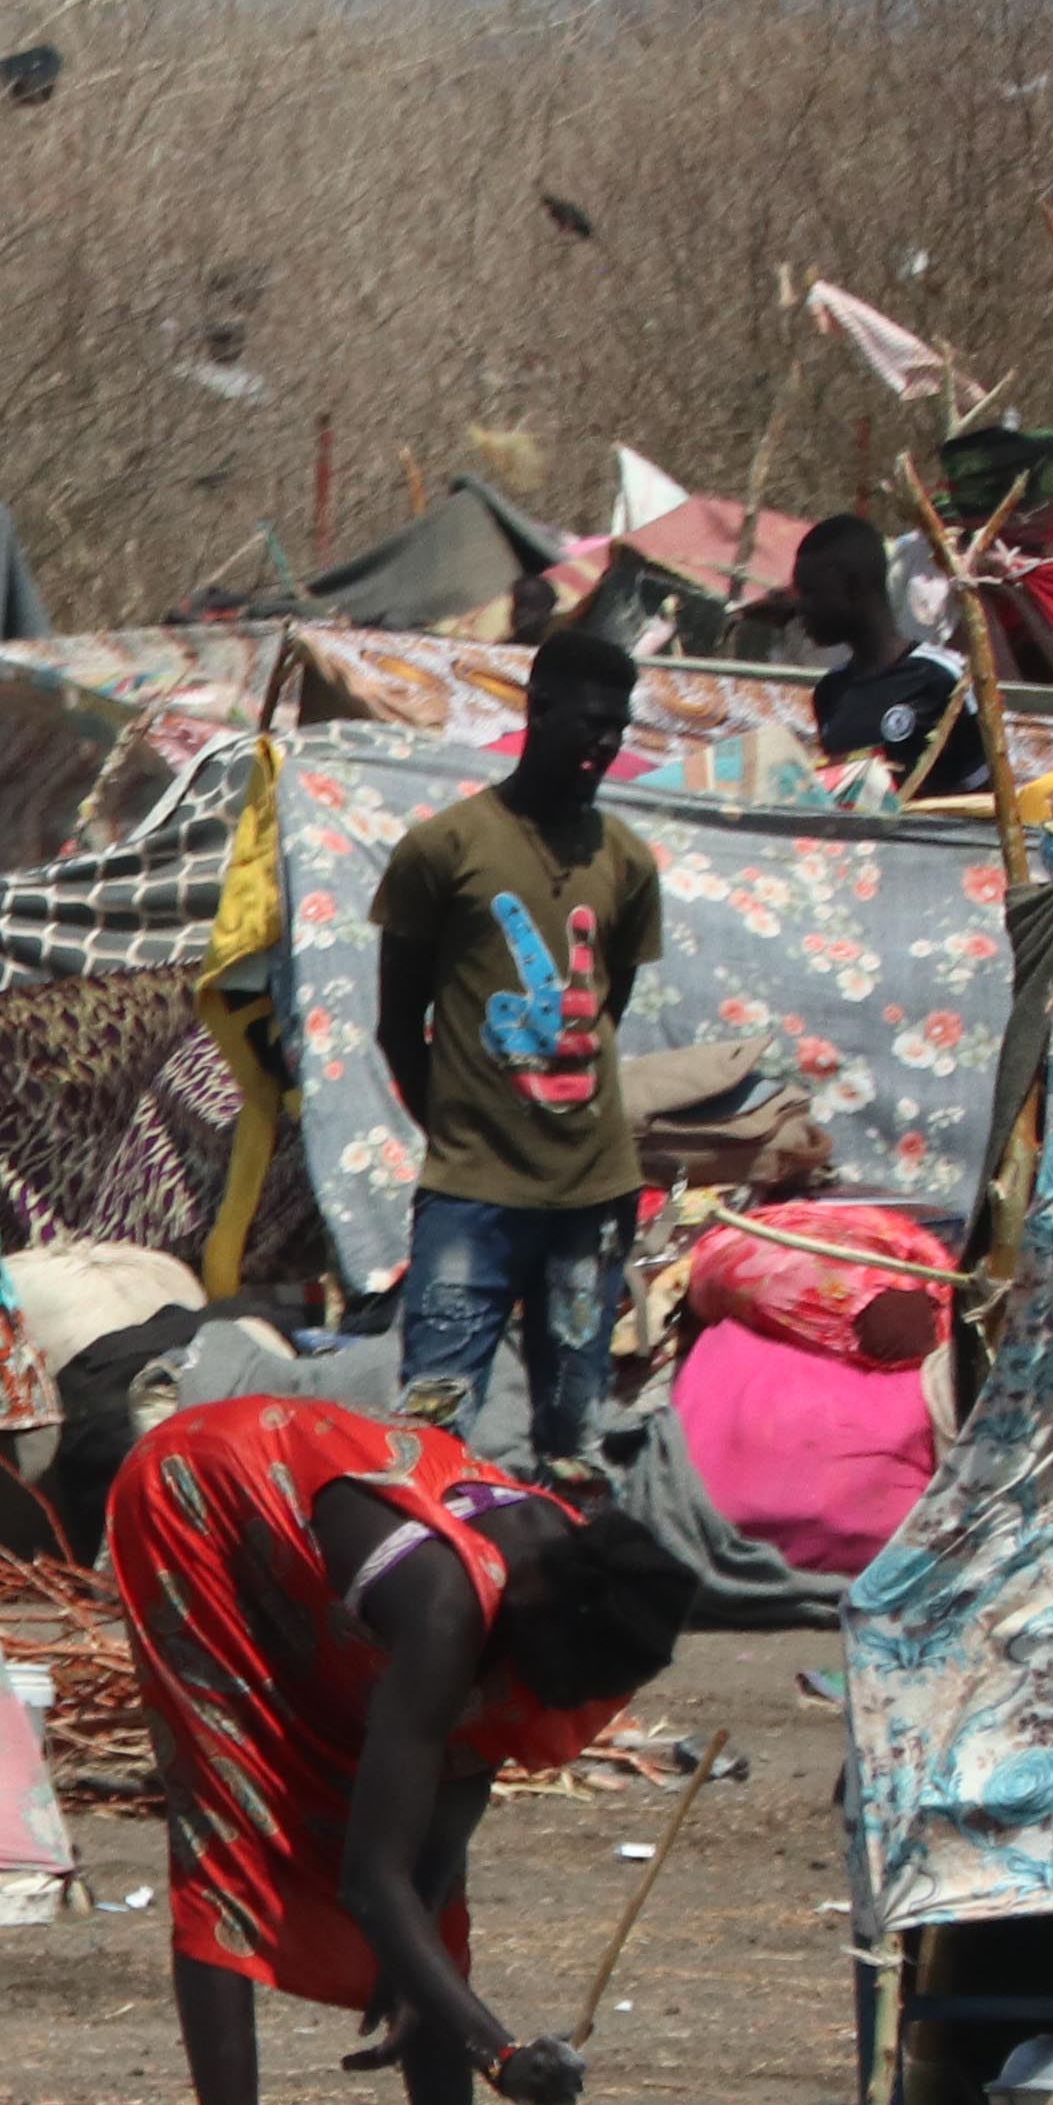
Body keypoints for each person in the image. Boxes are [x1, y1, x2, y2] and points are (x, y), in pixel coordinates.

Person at [103, 1392, 701, 2105]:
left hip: (328, 1559)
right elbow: (369, 1880)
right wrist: (495, 2051)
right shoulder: (446, 1608)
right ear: (537, 1621)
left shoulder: (589, 1581)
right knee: (232, 1846)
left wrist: (420, 1961)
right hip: (206, 1499)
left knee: (435, 1917)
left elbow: (441, 1825)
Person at [368, 625, 660, 1477]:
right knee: (433, 1426)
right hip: (472, 1197)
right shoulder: (444, 850)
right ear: (536, 710)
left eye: (619, 728)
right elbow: (397, 1022)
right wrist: (464, 1130)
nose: (604, 743)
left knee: (575, 1439)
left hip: (593, 1199)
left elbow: (609, 1012)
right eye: (588, 721)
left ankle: (559, 1597)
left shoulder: (628, 863)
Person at [788, 514, 987, 798]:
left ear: (852, 587)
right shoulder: (830, 693)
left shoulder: (943, 680)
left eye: (809, 592)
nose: (800, 607)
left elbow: (986, 801)